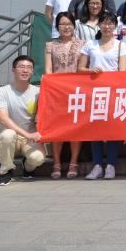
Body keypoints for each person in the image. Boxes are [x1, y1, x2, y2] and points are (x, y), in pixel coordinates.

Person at [78, 11, 126, 180]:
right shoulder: (90, 44)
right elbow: (80, 68)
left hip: (113, 92)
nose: (107, 26)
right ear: (99, 25)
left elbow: (122, 71)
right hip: (94, 92)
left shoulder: (121, 45)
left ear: (115, 26)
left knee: (112, 129)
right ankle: (97, 165)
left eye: (110, 23)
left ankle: (111, 165)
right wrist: (90, 70)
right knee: (96, 129)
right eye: (104, 23)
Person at [0, 55, 45, 185]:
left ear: (32, 71)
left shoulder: (38, 92)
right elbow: (3, 118)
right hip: (12, 135)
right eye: (21, 67)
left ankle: (27, 168)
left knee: (38, 158)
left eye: (29, 68)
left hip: (30, 137)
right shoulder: (3, 91)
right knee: (7, 135)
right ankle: (6, 170)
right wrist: (27, 134)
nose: (25, 70)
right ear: (13, 70)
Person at [44, 12, 85, 180]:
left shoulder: (83, 44)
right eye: (62, 24)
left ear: (74, 26)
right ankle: (56, 162)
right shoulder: (50, 45)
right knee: (58, 128)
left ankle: (74, 162)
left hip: (77, 92)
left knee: (75, 128)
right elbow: (48, 70)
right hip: (57, 93)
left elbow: (83, 68)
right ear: (57, 27)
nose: (66, 27)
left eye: (69, 24)